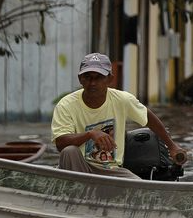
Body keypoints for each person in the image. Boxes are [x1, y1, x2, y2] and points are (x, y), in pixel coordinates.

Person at [52, 53, 186, 177]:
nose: (92, 83)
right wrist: (90, 134)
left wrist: (172, 146)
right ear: (80, 79)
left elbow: (149, 119)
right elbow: (60, 143)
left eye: (98, 77)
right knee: (69, 151)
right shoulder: (66, 105)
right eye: (87, 77)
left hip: (112, 170)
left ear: (110, 79)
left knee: (141, 189)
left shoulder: (123, 100)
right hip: (79, 169)